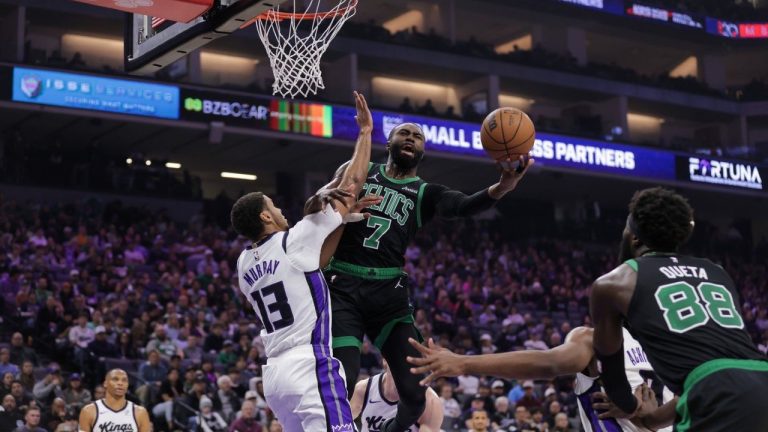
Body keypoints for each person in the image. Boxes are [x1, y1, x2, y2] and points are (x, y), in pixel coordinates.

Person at [324, 119, 534, 432]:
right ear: (390, 142)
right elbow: (321, 204)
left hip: (388, 294)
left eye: (417, 137)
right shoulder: (360, 170)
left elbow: (463, 205)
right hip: (343, 285)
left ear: (423, 150)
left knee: (414, 391)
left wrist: (502, 188)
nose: (410, 138)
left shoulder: (425, 193)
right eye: (403, 133)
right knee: (342, 380)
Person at [232, 91, 376, 432]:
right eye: (274, 206)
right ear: (266, 217)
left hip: (276, 378)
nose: (282, 210)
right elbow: (352, 183)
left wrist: (338, 221)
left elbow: (313, 262)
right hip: (308, 364)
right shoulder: (293, 241)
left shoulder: (243, 265)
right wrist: (366, 133)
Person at [590, 187, 768, 431]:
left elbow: (613, 379)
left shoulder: (613, 283)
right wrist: (651, 419)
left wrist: (630, 406)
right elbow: (720, 373)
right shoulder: (717, 272)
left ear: (634, 237)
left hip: (719, 395)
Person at [407, 326, 675, 432]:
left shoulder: (592, 338)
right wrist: (651, 416)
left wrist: (463, 362)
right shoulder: (679, 351)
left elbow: (549, 364)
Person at [350, 361, 443, 431]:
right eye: (397, 358)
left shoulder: (430, 401)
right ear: (385, 360)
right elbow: (341, 423)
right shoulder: (363, 389)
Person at [78, 369, 152, 432]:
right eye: (115, 379)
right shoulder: (88, 411)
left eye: (124, 380)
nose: (120, 383)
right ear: (105, 384)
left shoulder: (140, 412)